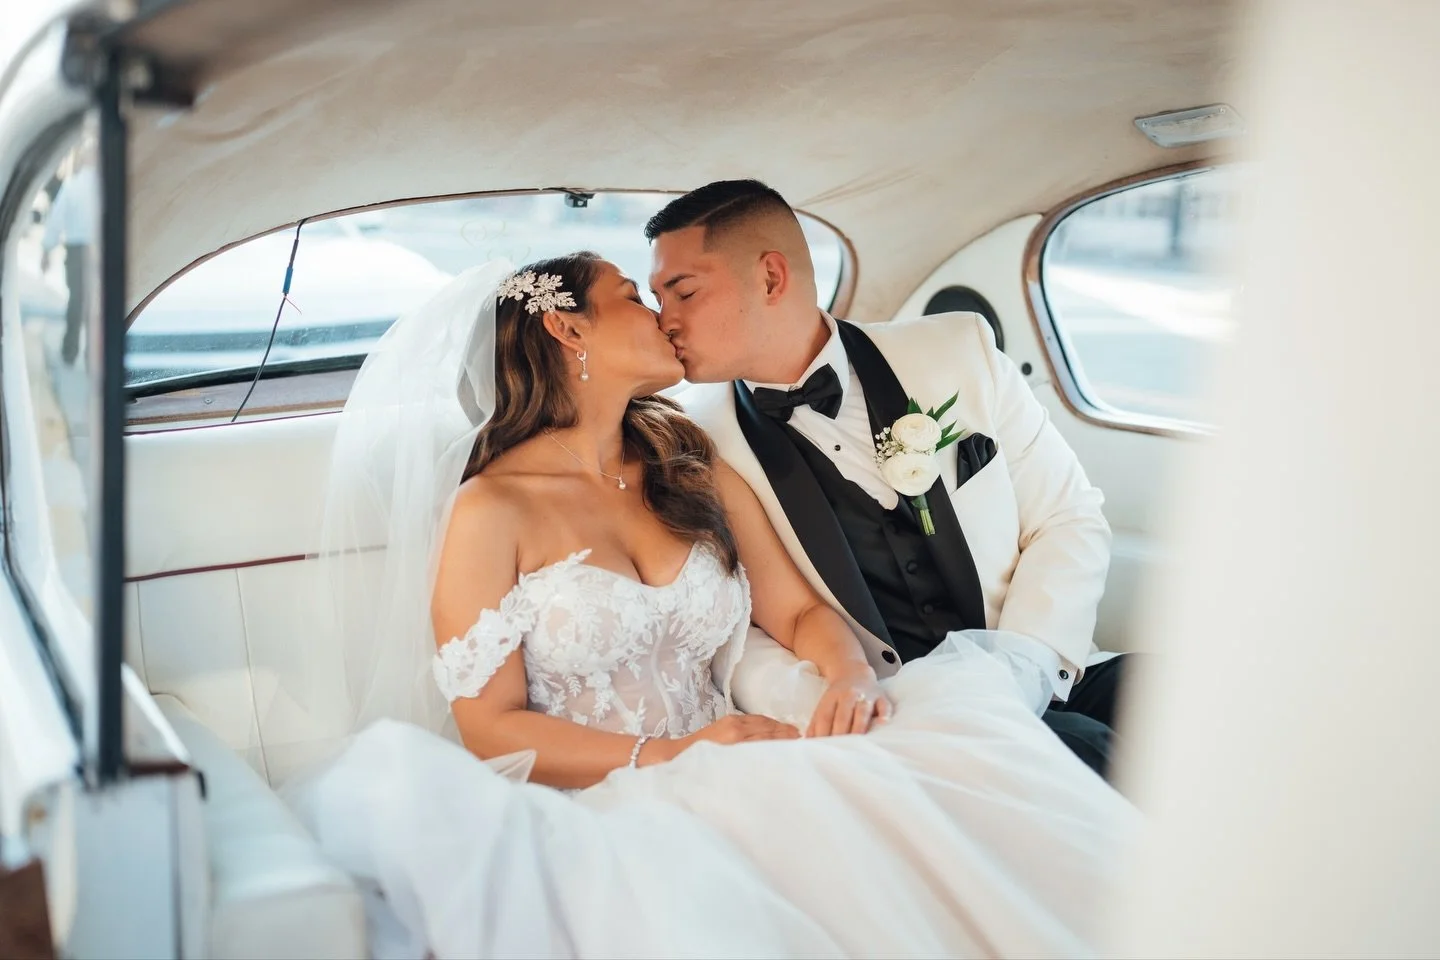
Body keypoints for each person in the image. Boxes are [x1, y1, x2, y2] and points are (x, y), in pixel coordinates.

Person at [290, 256, 1134, 959]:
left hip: (749, 753)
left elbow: (801, 614)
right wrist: (676, 752)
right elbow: (491, 727)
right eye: (632, 295)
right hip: (609, 796)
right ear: (567, 327)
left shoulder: (688, 464)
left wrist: (847, 679)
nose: (661, 315)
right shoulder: (490, 511)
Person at [649, 179, 1130, 777]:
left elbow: (1068, 517)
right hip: (897, 714)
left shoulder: (961, 350)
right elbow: (732, 629)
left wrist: (1026, 671)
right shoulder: (692, 444)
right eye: (656, 298)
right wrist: (844, 707)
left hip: (1039, 670)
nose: (662, 320)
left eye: (683, 292)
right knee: (1090, 757)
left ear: (771, 278)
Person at [40, 142, 98, 366]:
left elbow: (56, 221)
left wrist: (46, 250)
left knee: (76, 301)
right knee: (96, 303)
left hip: (76, 252)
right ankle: (93, 355)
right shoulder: (106, 186)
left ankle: (69, 352)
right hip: (99, 251)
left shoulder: (72, 186)